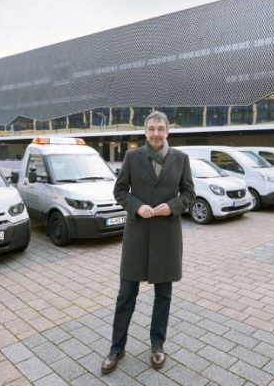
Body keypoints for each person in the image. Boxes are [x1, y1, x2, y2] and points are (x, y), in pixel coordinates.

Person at [101, 111, 195, 374]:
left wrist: (173, 206)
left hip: (167, 236)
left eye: (160, 129)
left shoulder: (181, 159)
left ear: (168, 131)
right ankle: (116, 348)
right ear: (145, 131)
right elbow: (119, 191)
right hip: (138, 235)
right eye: (151, 128)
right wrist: (137, 206)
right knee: (125, 295)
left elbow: (189, 193)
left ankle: (157, 345)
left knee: (163, 296)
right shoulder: (133, 157)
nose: (156, 133)